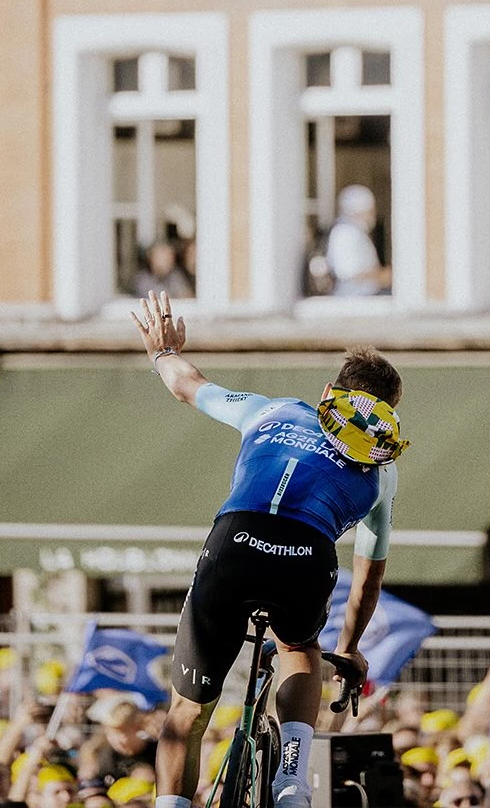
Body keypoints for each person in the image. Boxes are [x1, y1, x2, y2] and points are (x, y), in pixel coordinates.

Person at [130, 291, 408, 808]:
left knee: (187, 712)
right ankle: (292, 784)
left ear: (328, 393)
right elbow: (368, 576)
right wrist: (348, 648)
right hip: (307, 556)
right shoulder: (382, 470)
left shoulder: (273, 409)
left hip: (235, 541)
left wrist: (163, 352)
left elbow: (189, 385)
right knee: (299, 649)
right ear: (387, 415)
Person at [325, 185, 392, 297]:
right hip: (354, 299)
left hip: (367, 297)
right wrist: (383, 276)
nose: (373, 215)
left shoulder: (357, 232)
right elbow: (349, 273)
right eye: (370, 211)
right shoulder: (344, 233)